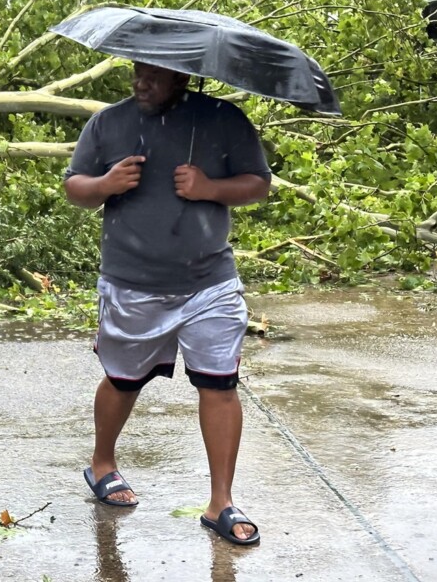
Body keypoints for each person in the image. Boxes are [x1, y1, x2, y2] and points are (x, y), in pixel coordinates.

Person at [63, 62, 271, 546]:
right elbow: (75, 186)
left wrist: (210, 189)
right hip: (132, 282)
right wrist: (104, 185)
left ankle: (221, 502)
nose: (140, 83)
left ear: (182, 77)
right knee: (123, 379)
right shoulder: (108, 123)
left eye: (153, 76)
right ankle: (103, 463)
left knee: (220, 386)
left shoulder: (223, 119)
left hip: (210, 282)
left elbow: (258, 184)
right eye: (137, 72)